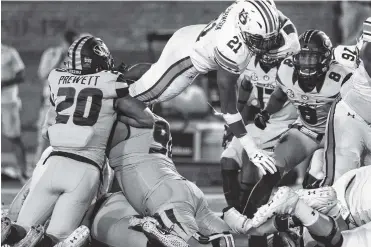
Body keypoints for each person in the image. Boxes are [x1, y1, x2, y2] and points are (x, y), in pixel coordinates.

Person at [7, 36, 154, 247]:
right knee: (57, 238)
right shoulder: (111, 81)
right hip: (85, 167)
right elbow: (145, 118)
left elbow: (47, 131)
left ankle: (9, 230)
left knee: (23, 231)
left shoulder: (57, 78)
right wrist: (113, 115)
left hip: (53, 162)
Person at [129, 0, 300, 173]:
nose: (265, 47)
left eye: (271, 40)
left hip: (192, 33)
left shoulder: (264, 18)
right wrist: (252, 149)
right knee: (145, 95)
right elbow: (228, 109)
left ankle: (122, 75)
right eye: (259, 41)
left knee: (156, 70)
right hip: (187, 56)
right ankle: (111, 95)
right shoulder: (231, 49)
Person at [243, 29, 356, 217]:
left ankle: (311, 230)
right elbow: (279, 95)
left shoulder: (342, 77)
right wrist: (266, 112)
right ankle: (247, 221)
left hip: (335, 136)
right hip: (306, 130)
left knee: (317, 184)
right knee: (272, 172)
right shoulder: (286, 70)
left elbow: (357, 111)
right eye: (302, 57)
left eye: (312, 58)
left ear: (326, 59)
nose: (306, 64)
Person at [103, 114, 235, 247]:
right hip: (187, 190)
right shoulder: (160, 122)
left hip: (165, 196)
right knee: (224, 241)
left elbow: (89, 146)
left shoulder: (120, 125)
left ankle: (158, 232)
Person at [220, 54, 298, 213]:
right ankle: (235, 210)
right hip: (261, 123)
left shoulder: (291, 68)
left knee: (250, 157)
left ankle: (248, 212)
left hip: (284, 124)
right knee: (227, 160)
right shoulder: (249, 63)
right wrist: (232, 126)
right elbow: (244, 96)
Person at [226, 165, 371, 247]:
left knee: (339, 242)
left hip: (352, 196)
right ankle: (300, 211)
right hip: (351, 194)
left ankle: (300, 210)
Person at [321, 17, 371, 186]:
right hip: (352, 117)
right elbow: (368, 53)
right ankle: (296, 207)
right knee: (338, 186)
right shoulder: (368, 50)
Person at [34, 29, 78, 167]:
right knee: (44, 137)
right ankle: (38, 169)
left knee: (68, 139)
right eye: (69, 42)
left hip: (71, 102)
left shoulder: (78, 57)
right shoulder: (51, 53)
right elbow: (43, 75)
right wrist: (58, 59)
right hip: (51, 101)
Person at [1, 43, 28, 183]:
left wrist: (4, 83)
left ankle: (23, 172)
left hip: (7, 101)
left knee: (15, 137)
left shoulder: (9, 52)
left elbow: (21, 75)